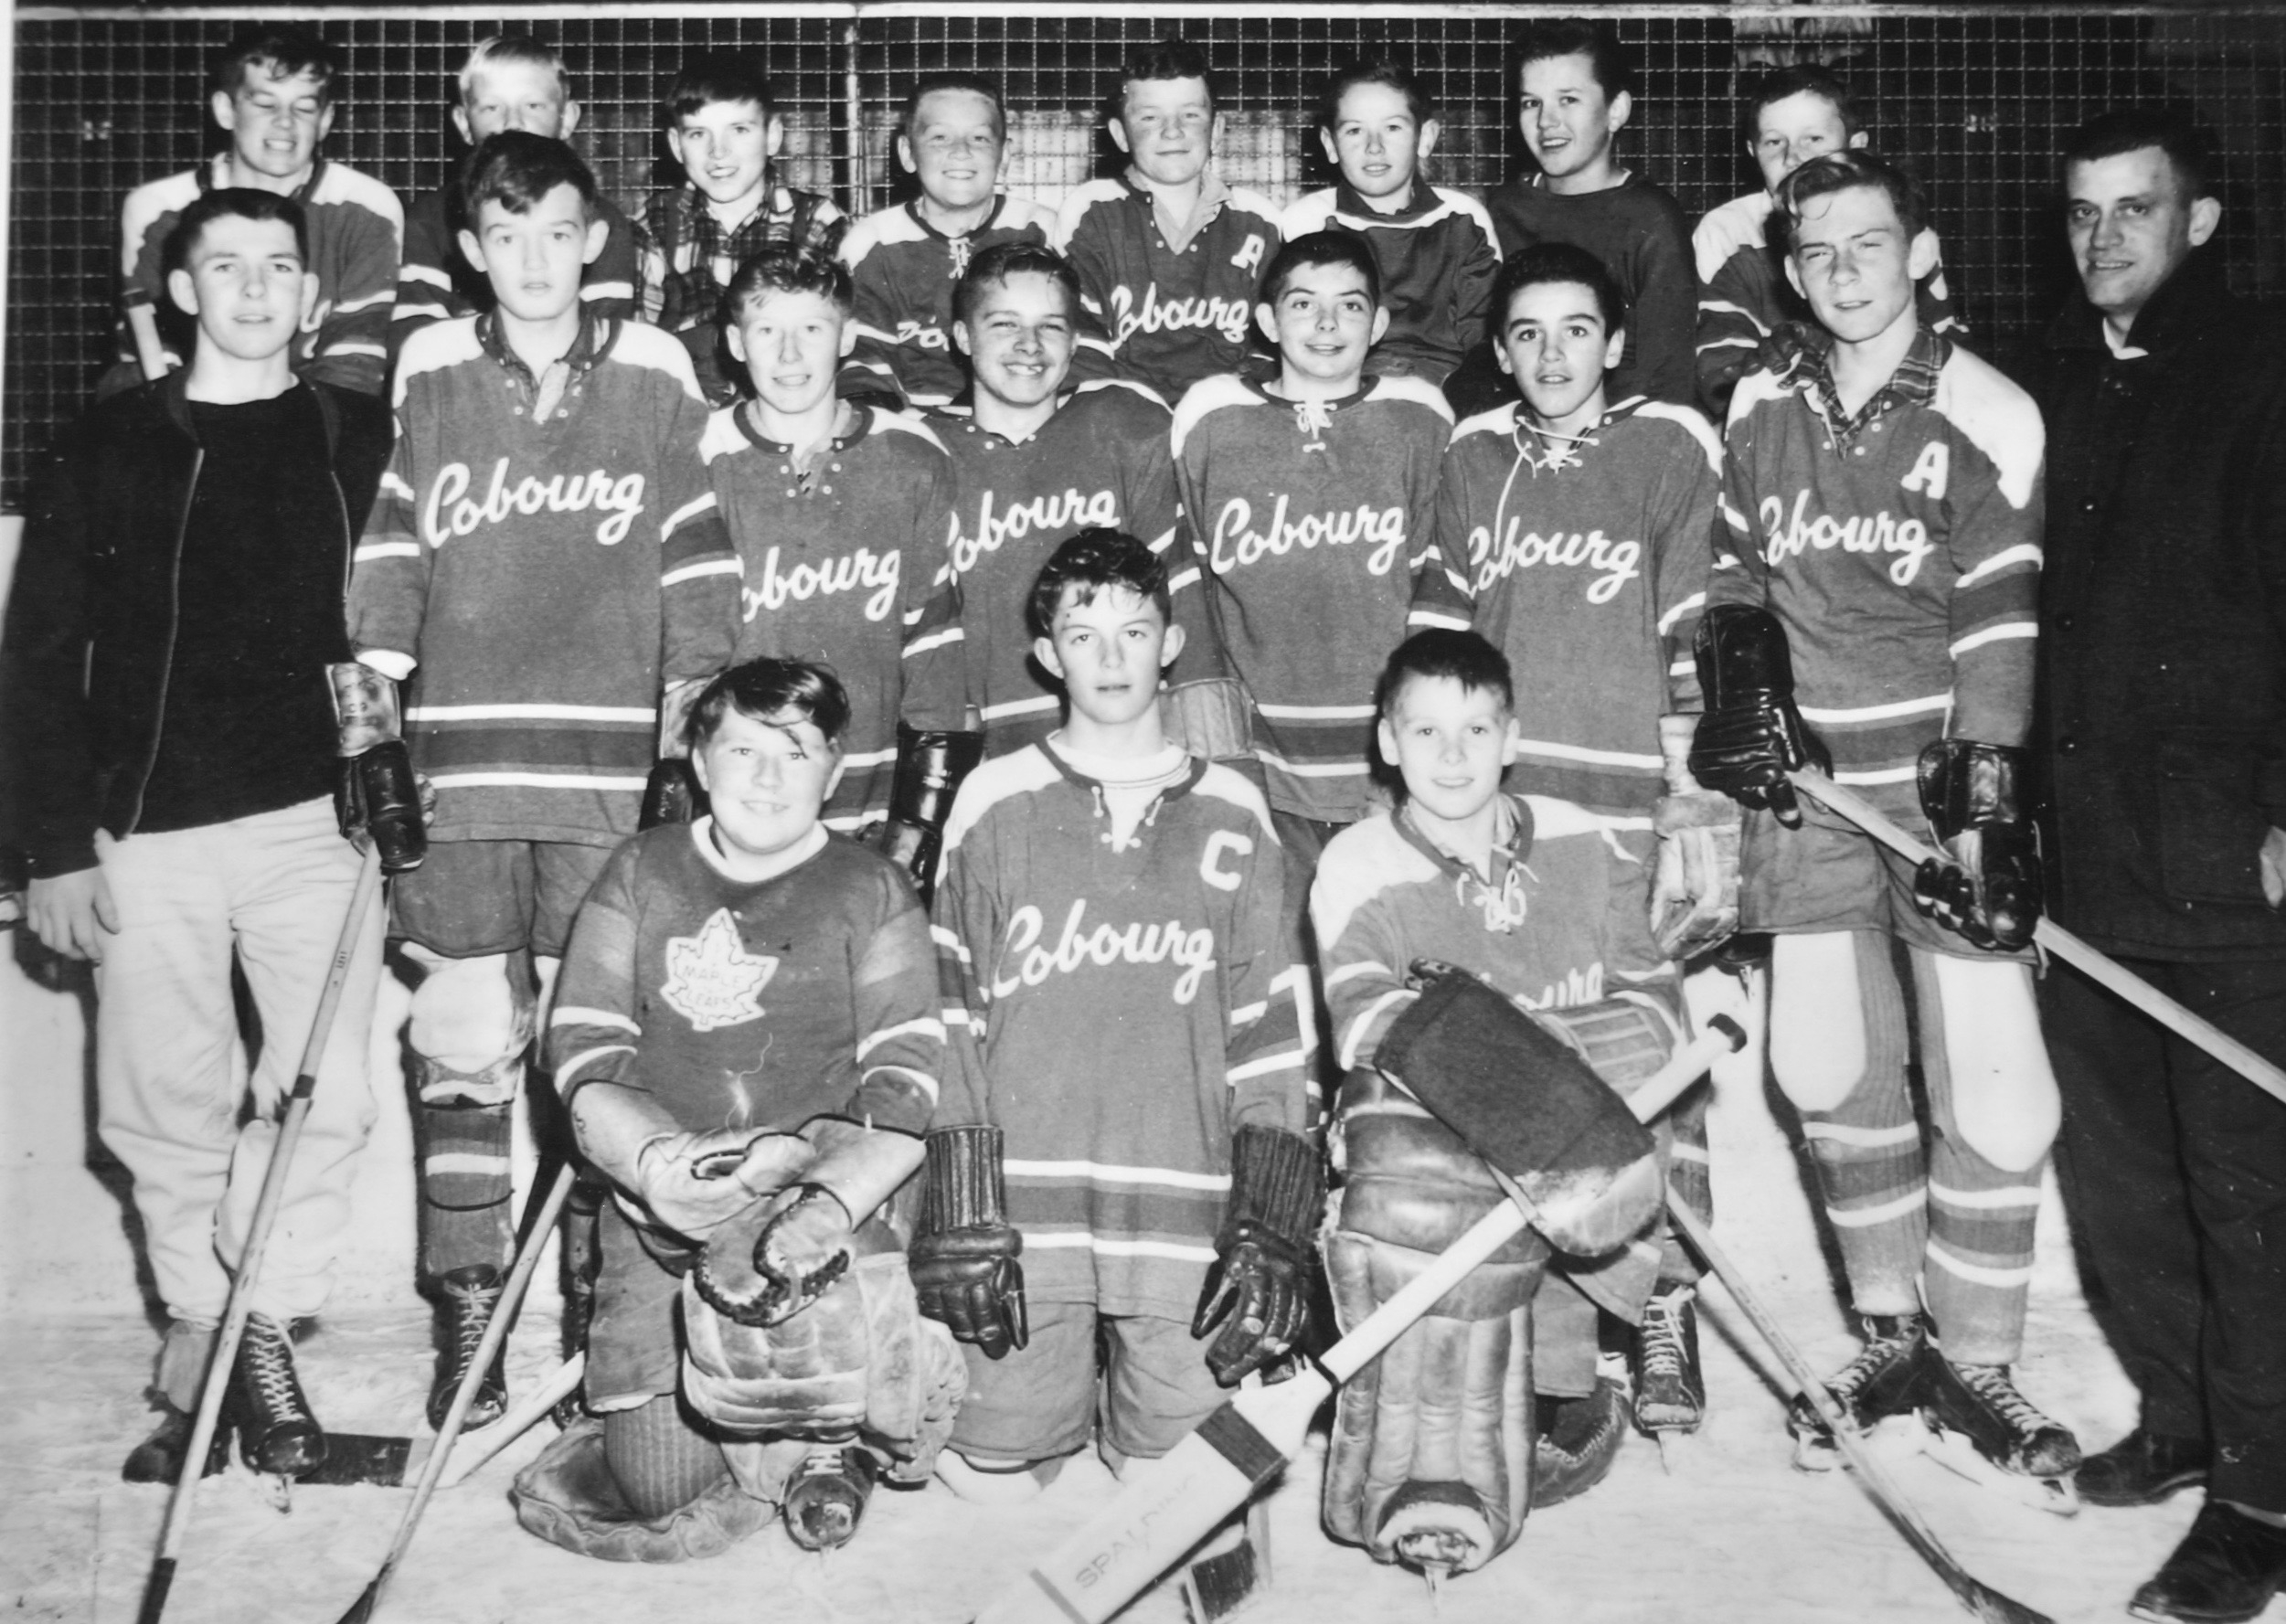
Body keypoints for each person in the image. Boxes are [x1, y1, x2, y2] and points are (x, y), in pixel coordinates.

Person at [1693, 149, 2075, 1500]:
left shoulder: (1987, 408)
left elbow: (1998, 617)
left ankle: (1978, 1355)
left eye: (1868, 245)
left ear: (1917, 253)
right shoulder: (1758, 401)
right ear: (1791, 273)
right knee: (1821, 1060)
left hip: (1933, 786)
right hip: (1808, 788)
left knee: (1993, 1080)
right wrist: (1745, 689)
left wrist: (1982, 802)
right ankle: (1891, 1336)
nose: (1843, 271)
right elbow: (1736, 563)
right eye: (1818, 254)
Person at [2, 188, 396, 1481]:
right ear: (179, 291)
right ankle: (199, 1332)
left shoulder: (358, 434)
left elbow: (403, 621)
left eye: (278, 266)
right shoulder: (112, 438)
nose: (253, 287)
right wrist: (51, 846)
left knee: (325, 1097)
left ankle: (259, 1337)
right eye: (224, 265)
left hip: (311, 824)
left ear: (310, 294)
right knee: (162, 1109)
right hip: (146, 830)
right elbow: (40, 654)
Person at [348, 132, 739, 1432]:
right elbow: (390, 565)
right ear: (471, 250)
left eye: (556, 234)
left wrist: (686, 740)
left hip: (604, 782)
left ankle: (586, 1293)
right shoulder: (438, 387)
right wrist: (370, 730)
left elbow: (698, 577)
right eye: (504, 236)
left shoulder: (653, 390)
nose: (532, 260)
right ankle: (469, 1299)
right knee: (463, 1042)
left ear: (594, 244)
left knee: (596, 1055)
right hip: (461, 777)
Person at [511, 657, 960, 1562]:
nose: (764, 775)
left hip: (812, 1199)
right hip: (662, 1193)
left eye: (792, 753)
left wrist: (826, 1205)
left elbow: (906, 1071)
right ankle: (769, 1449)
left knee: (846, 1385)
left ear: (832, 770)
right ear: (700, 761)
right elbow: (583, 1043)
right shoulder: (641, 870)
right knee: (655, 1487)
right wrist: (651, 1173)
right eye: (741, 749)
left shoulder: (870, 887)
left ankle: (829, 1444)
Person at [2028, 108, 2286, 1623]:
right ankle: (2185, 1422)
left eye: (2137, 210)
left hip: (2232, 866)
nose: (2105, 238)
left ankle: (2263, 1492)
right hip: (2092, 861)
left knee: (2248, 1189)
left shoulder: (2261, 367)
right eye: (2082, 214)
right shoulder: (2056, 375)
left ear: (2197, 221)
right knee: (2125, 1181)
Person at [922, 528, 1313, 1504]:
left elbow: (1271, 1030)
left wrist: (1269, 1217)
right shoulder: (993, 797)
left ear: (1170, 644)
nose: (1108, 658)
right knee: (995, 1482)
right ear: (1045, 655)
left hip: (1179, 1212)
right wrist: (963, 1199)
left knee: (1177, 1491)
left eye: (1132, 632)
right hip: (1022, 1219)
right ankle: (1039, 1414)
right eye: (1082, 635)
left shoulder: (1231, 807)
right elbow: (947, 1008)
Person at [1313, 629, 1687, 1572]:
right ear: (1386, 743)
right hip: (1452, 1157)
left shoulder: (1579, 836)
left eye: (1473, 730)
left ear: (1509, 736)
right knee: (1403, 1143)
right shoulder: (1356, 861)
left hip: (1581, 1153)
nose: (1450, 756)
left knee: (1631, 1095)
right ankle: (1427, 1420)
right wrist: (1522, 1061)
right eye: (1426, 731)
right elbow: (1364, 1024)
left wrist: (1511, 1050)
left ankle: (1610, 1337)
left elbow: (1652, 1008)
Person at [1437, 242, 1726, 1441]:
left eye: (1574, 329)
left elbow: (1692, 643)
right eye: (1526, 333)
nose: (1550, 354)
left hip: (1618, 814)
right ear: (1499, 350)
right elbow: (1441, 640)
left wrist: (1686, 806)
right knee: (1516, 1061)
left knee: (1651, 1059)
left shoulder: (1670, 448)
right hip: (1501, 811)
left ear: (1615, 341)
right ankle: (1531, 1318)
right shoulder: (1469, 455)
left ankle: (1665, 1305)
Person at [1171, 229, 1467, 921]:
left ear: (1380, 323)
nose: (1327, 325)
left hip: (1386, 758)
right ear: (1268, 320)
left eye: (1350, 306)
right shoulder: (1211, 414)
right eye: (1303, 304)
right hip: (1258, 756)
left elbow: (1442, 579)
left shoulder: (1419, 416)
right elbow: (1182, 570)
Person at [697, 246, 973, 894]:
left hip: (863, 795)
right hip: (734, 795)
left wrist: (917, 824)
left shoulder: (910, 458)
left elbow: (934, 645)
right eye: (768, 331)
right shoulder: (697, 456)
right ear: (736, 342)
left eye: (812, 330)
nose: (789, 356)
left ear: (846, 335)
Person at [930, 243, 1182, 757]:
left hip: (1119, 736)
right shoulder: (921, 453)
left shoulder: (1124, 426)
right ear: (962, 336)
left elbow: (1180, 593)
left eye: (1050, 326)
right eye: (1004, 325)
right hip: (980, 749)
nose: (1029, 345)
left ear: (1073, 343)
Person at [104, 24, 399, 399]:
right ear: (226, 110)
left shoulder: (367, 208)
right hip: (191, 410)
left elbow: (354, 366)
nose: (285, 123)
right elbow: (149, 359)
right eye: (265, 105)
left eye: (305, 107)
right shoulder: (158, 209)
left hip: (309, 415)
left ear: (326, 120)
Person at [1694, 64, 1962, 419]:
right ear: (1751, 151)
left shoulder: (1894, 222)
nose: (1792, 157)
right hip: (1779, 420)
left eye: (1814, 139)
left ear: (1856, 147)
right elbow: (1719, 374)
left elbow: (1947, 343)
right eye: (1774, 142)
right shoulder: (1727, 233)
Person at [1480, 19, 1696, 411]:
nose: (1547, 121)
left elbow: (1668, 376)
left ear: (1616, 111)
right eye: (1532, 102)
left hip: (1622, 431)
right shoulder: (1500, 210)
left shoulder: (1651, 219)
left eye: (1569, 100)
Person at [840, 72, 1086, 410]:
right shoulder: (872, 242)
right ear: (907, 152)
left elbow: (1072, 345)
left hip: (1023, 418)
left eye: (980, 138)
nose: (961, 152)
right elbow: (862, 361)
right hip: (910, 429)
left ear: (1005, 155)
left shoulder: (1043, 230)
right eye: (940, 137)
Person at [1056, 37, 1282, 402]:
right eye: (1149, 117)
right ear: (1120, 135)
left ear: (1218, 129)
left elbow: (1271, 351)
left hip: (1229, 412)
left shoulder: (1259, 220)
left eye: (1190, 114)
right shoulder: (1092, 211)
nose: (1172, 130)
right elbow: (1082, 345)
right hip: (1123, 412)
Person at [391, 35, 640, 356]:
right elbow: (414, 342)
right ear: (464, 123)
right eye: (492, 107)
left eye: (533, 105)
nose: (512, 123)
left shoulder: (601, 221)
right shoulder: (428, 220)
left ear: (566, 119)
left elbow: (606, 341)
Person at [1279, 58, 1501, 392]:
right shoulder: (1306, 220)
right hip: (1342, 385)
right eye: (1355, 130)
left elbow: (1485, 336)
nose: (1374, 147)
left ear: (1425, 137)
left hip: (1446, 387)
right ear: (1330, 144)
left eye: (1393, 128)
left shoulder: (1464, 219)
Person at [640, 51, 849, 405]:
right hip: (685, 407)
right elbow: (637, 338)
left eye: (739, 129)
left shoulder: (817, 221)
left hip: (788, 401)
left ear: (772, 136)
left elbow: (840, 337)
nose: (718, 152)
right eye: (697, 134)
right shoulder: (657, 223)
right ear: (676, 145)